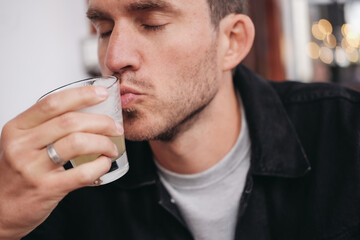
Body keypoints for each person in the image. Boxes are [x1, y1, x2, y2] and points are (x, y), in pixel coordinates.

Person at [0, 0, 359, 239]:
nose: (114, 57)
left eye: (152, 24)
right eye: (105, 29)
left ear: (231, 41)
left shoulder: (346, 132)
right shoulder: (71, 179)